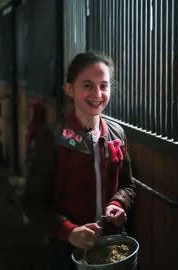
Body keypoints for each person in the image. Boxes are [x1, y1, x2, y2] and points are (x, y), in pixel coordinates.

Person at [23, 52, 136, 270]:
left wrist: (118, 203)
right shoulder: (53, 136)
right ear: (69, 89)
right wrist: (69, 231)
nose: (97, 93)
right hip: (65, 249)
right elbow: (32, 202)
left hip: (109, 243)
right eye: (87, 85)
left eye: (104, 85)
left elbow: (127, 185)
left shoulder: (117, 134)